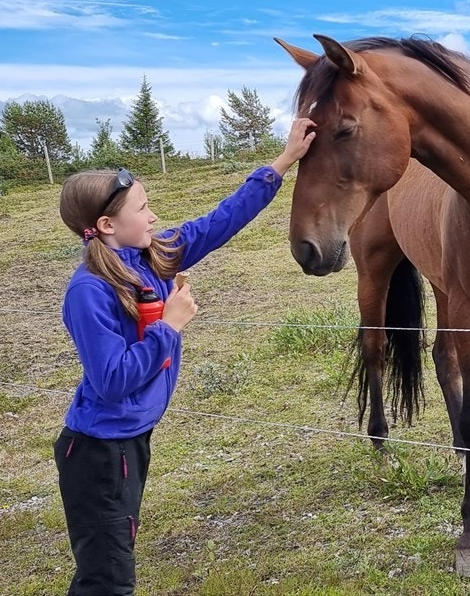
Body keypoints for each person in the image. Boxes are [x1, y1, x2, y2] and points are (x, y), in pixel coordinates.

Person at [51, 118, 314, 595]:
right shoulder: (89, 290)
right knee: (106, 581)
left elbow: (220, 221)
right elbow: (112, 379)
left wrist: (284, 161)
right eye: (143, 208)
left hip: (129, 441)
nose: (153, 217)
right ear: (108, 225)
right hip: (98, 453)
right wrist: (169, 326)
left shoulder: (152, 256)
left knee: (112, 563)